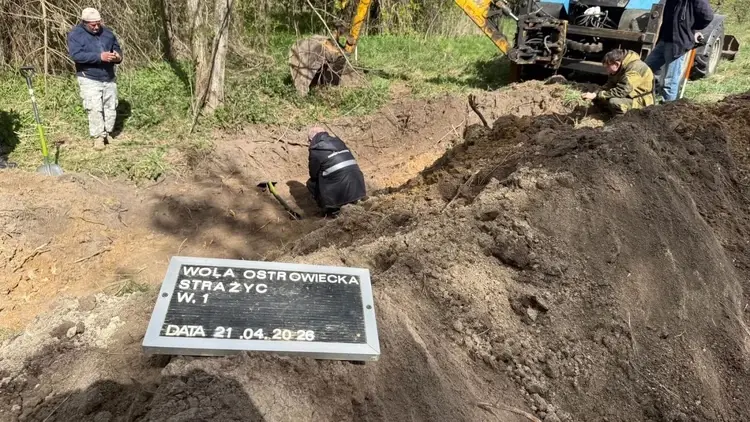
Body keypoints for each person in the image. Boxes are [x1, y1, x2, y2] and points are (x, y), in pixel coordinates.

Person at [67, 8, 122, 151]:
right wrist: (99, 57)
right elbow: (76, 55)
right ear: (84, 23)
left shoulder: (108, 33)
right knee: (94, 108)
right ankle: (98, 137)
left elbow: (117, 49)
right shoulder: (75, 35)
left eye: (98, 23)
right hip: (89, 77)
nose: (97, 27)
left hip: (108, 76)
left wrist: (117, 57)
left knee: (110, 107)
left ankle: (108, 133)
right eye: (93, 25)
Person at [645, 0, 714, 102]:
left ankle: (668, 107)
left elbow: (707, 16)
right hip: (664, 40)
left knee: (670, 82)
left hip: (677, 43)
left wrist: (691, 29)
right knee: (645, 68)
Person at [306, 127, 366, 216]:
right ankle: (355, 200)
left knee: (311, 183)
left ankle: (331, 209)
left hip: (338, 190)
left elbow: (314, 175)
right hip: (358, 186)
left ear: (311, 139)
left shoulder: (315, 149)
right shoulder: (339, 141)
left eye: (308, 141)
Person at [581, 49, 655, 115]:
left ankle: (621, 120)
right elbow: (609, 85)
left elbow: (622, 91)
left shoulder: (635, 69)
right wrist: (595, 93)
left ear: (616, 64)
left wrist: (598, 95)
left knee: (614, 102)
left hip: (641, 102)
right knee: (603, 98)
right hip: (628, 96)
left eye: (608, 67)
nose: (607, 71)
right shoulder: (619, 68)